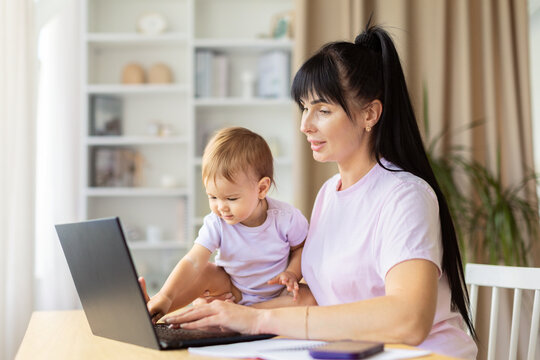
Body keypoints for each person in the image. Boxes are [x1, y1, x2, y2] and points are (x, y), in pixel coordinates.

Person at [160, 24, 478, 359]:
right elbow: (317, 298)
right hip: (351, 351)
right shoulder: (329, 193)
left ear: (370, 113)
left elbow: (410, 320)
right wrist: (226, 316)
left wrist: (256, 319)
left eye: (323, 110)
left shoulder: (405, 196)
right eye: (304, 108)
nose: (305, 124)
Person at [139, 126, 310, 322]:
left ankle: (246, 312)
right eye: (212, 197)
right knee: (205, 270)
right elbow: (193, 261)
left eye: (231, 198)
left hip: (276, 295)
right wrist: (165, 295)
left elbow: (300, 249)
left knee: (310, 298)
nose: (221, 207)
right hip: (232, 290)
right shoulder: (216, 223)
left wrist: (292, 273)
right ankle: (157, 310)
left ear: (262, 188)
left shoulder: (286, 218)